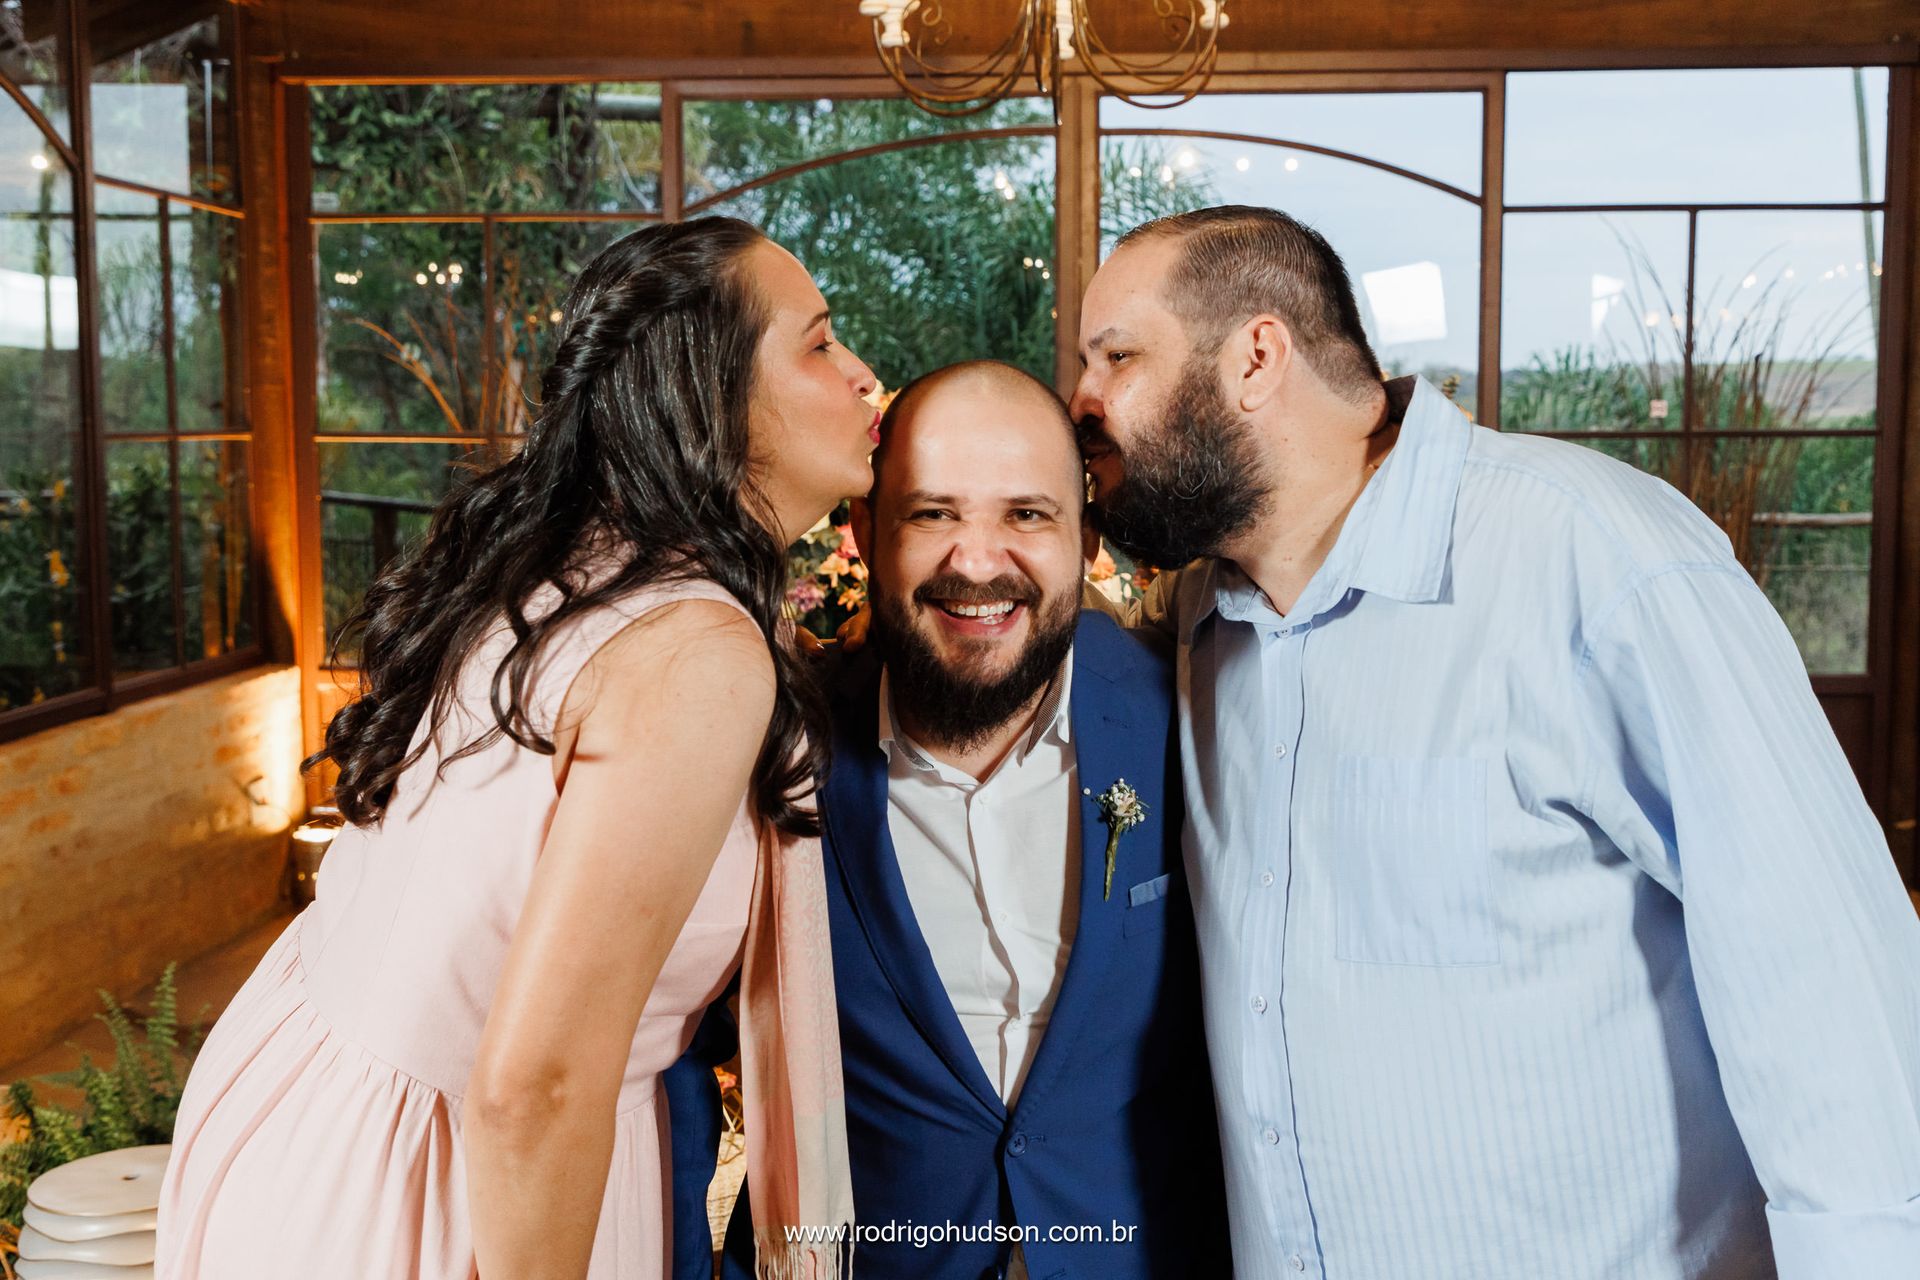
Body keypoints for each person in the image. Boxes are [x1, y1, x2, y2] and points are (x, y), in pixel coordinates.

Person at [1068, 203, 1920, 1278]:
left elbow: (1826, 975)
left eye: (1117, 355)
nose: (1082, 400)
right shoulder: (1200, 624)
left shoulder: (1598, 555)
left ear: (1255, 355)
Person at [156, 217, 879, 1280]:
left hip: (308, 1110)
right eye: (820, 343)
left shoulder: (579, 562)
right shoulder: (698, 649)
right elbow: (534, 1084)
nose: (866, 376)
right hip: (450, 1186)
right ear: (709, 394)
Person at [713, 360, 1230, 1279]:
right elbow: (667, 1047)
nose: (978, 561)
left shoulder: (1191, 715)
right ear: (867, 532)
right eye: (933, 514)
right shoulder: (770, 744)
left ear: (1085, 541)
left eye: (1026, 515)